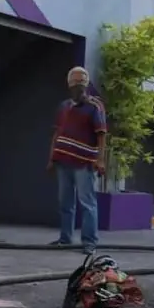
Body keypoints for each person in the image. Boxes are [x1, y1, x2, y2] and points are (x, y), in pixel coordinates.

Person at [47, 66, 107, 254]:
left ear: (87, 84)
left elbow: (101, 135)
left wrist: (100, 160)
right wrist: (51, 157)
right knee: (65, 203)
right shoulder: (64, 106)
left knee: (87, 203)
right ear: (68, 84)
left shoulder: (95, 106)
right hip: (63, 160)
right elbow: (57, 133)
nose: (77, 86)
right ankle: (65, 239)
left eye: (81, 82)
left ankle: (89, 243)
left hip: (83, 162)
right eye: (74, 82)